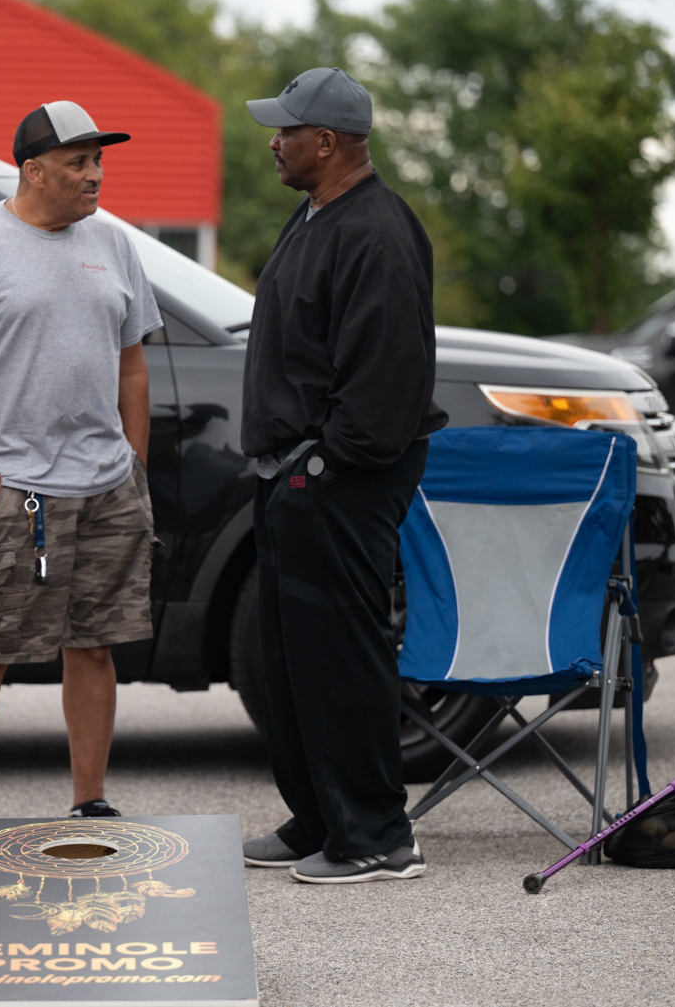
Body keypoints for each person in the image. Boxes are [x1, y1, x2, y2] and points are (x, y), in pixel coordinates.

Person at [237, 68, 447, 884]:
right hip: (297, 476)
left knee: (343, 656)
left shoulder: (377, 231)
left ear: (325, 142)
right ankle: (322, 817)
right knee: (292, 660)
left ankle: (377, 835)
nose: (273, 142)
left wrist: (321, 465)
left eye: (285, 130)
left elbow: (386, 381)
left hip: (341, 478)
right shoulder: (318, 212)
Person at [0, 101, 162, 821]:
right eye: (77, 162)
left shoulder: (114, 242)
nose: (95, 175)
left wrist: (134, 465)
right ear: (32, 171)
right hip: (16, 488)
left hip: (107, 486)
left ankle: (90, 800)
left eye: (99, 161)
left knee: (94, 646)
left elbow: (132, 365)